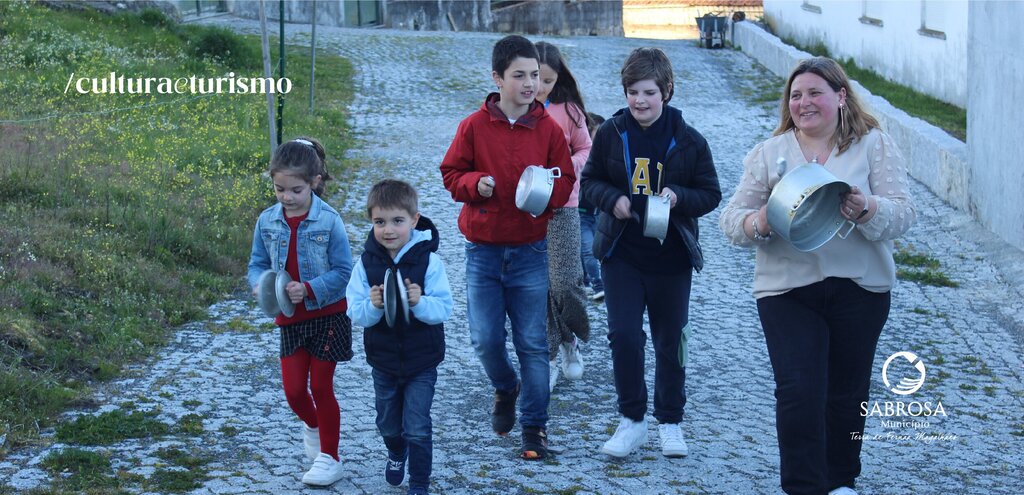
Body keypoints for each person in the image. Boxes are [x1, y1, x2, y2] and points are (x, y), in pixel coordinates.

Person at [719, 57, 916, 495]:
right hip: (786, 290)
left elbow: (904, 212)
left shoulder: (873, 144)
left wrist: (867, 208)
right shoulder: (770, 152)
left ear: (841, 96)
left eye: (814, 93)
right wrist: (760, 221)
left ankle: (840, 480)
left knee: (847, 391)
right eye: (795, 95)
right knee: (799, 389)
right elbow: (730, 221)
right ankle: (804, 486)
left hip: (860, 288)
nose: (803, 102)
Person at [580, 47, 721, 459]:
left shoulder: (689, 140)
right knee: (624, 336)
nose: (639, 101)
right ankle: (632, 420)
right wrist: (614, 200)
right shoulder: (611, 133)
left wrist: (680, 196)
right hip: (622, 253)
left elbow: (711, 193)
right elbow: (589, 182)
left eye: (648, 92)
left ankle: (670, 421)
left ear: (667, 91)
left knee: (671, 341)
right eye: (632, 92)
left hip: (671, 258)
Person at [440, 34, 575, 460]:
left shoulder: (549, 129)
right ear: (497, 78)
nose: (530, 84)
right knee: (484, 339)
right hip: (482, 252)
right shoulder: (473, 126)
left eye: (535, 75)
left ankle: (535, 429)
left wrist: (545, 194)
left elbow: (567, 180)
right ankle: (505, 386)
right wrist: (473, 184)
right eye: (520, 75)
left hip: (530, 251)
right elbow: (451, 174)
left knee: (532, 343)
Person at [246, 137, 353, 487]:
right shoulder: (267, 221)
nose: (287, 197)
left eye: (296, 190)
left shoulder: (329, 221)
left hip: (328, 315)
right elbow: (257, 264)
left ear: (314, 182)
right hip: (290, 318)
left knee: (321, 387)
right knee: (294, 392)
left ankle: (330, 457)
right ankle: (314, 424)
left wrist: (308, 288)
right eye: (279, 189)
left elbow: (344, 271)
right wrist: (259, 284)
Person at [346, 179, 453, 495]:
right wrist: (373, 306)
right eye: (380, 222)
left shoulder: (428, 261)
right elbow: (355, 311)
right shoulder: (365, 264)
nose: (388, 230)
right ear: (371, 221)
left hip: (422, 360)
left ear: (414, 220)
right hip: (384, 361)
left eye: (397, 221)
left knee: (417, 426)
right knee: (388, 424)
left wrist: (420, 302)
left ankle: (419, 483)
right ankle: (396, 451)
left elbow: (443, 308)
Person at [534, 41, 592, 392]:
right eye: (534, 78)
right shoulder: (516, 110)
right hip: (526, 208)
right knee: (539, 286)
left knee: (566, 282)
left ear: (558, 79)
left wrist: (565, 167)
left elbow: (586, 148)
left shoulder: (569, 111)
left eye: (547, 80)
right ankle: (551, 354)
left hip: (564, 203)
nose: (539, 87)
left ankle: (572, 336)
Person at [580, 112, 606, 302]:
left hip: (597, 213)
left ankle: (585, 281)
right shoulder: (581, 157)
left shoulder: (605, 157)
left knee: (593, 249)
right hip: (579, 213)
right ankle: (598, 284)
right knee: (588, 249)